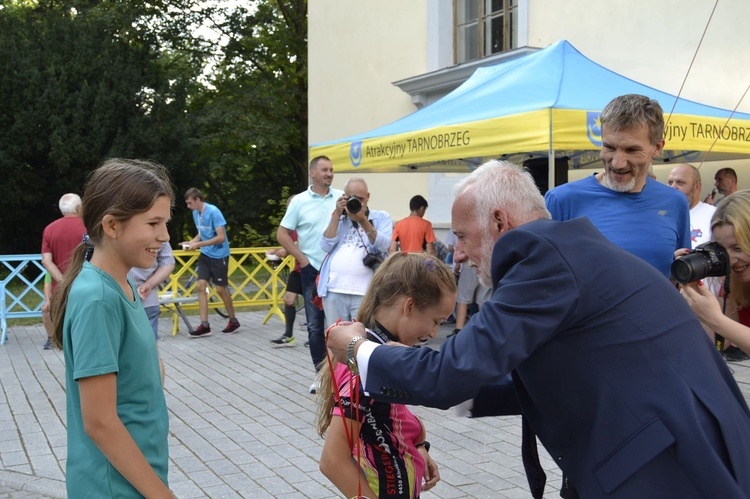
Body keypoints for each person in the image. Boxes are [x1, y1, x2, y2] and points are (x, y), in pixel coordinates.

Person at [326, 160, 750, 498]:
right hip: (696, 447)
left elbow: (452, 370)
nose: (458, 254)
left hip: (664, 469)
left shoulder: (540, 259)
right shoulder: (569, 247)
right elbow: (557, 371)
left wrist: (360, 349)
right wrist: (461, 397)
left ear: (497, 221)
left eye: (462, 236)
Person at [49, 158, 173, 498]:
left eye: (165, 222)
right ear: (112, 225)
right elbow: (100, 422)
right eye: (153, 223)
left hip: (135, 477)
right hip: (113, 486)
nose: (164, 236)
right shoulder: (97, 297)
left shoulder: (124, 284)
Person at [316, 252, 450, 499]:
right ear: (409, 306)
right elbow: (333, 460)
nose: (434, 333)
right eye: (435, 321)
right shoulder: (364, 365)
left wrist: (417, 446)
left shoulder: (380, 354)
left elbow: (388, 418)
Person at [545, 94, 690, 278]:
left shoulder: (675, 202)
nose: (617, 163)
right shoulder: (562, 200)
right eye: (610, 147)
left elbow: (683, 281)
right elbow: (542, 280)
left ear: (658, 147)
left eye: (632, 150)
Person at [277, 156, 344, 390]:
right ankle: (322, 376)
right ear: (312, 173)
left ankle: (345, 376)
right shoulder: (299, 201)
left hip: (338, 268)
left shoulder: (341, 197)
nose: (329, 173)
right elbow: (282, 234)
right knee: (315, 326)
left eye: (332, 170)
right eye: (324, 170)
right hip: (311, 268)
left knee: (340, 324)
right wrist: (302, 259)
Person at [680, 190, 750, 361]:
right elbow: (723, 341)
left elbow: (723, 326)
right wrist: (693, 290)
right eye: (722, 250)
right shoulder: (734, 280)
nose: (730, 260)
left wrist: (716, 319)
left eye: (738, 248)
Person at [317, 177, 392, 323]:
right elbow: (325, 246)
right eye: (352, 198)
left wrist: (363, 220)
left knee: (361, 339)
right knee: (335, 337)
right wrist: (337, 216)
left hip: (365, 292)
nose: (356, 202)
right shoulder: (338, 218)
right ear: (344, 197)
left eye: (360, 198)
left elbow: (383, 245)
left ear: (368, 197)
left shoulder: (381, 217)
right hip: (333, 289)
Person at [181, 188, 239, 337]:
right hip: (205, 255)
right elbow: (201, 233)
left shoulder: (214, 211)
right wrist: (191, 243)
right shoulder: (196, 214)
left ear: (198, 200)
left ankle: (233, 320)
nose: (188, 206)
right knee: (200, 286)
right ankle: (204, 325)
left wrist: (198, 245)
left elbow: (221, 237)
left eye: (190, 203)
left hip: (219, 254)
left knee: (220, 289)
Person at [40, 193, 86, 349]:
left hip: (59, 286)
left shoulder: (49, 229)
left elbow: (46, 260)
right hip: (85, 280)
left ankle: (59, 342)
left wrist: (62, 280)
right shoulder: (88, 226)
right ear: (79, 207)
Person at [127, 242, 175, 340]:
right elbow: (167, 262)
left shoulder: (111, 230)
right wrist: (149, 284)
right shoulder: (159, 234)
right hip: (147, 298)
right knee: (148, 349)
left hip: (118, 298)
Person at [667, 163, 716, 248]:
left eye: (680, 183)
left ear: (697, 187)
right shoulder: (661, 214)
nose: (673, 187)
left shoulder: (714, 215)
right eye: (670, 182)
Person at [446, 263, 491, 338]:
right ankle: (484, 330)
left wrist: (457, 263)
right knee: (483, 299)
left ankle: (459, 329)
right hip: (488, 265)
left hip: (470, 263)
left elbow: (461, 251)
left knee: (463, 298)